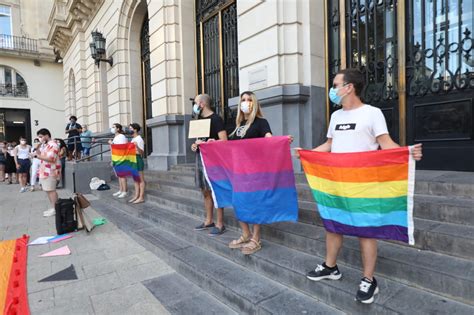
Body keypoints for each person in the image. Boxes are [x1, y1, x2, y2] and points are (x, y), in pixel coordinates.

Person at [295, 68, 423, 304]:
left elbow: (385, 144)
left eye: (335, 85)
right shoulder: (336, 117)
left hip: (364, 184)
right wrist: (307, 154)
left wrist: (406, 153)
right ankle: (330, 267)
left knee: (366, 230)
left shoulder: (372, 114)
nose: (333, 90)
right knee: (333, 225)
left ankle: (368, 280)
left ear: (349, 87)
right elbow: (329, 144)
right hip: (337, 182)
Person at [227, 91, 284, 255]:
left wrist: (280, 140)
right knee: (238, 202)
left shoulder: (260, 122)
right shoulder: (236, 124)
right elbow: (226, 145)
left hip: (255, 170)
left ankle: (256, 238)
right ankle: (245, 234)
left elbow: (268, 138)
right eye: (243, 100)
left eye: (249, 100)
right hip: (238, 170)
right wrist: (208, 143)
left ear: (255, 103)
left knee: (255, 203)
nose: (246, 102)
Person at [191, 94, 228, 236]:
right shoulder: (199, 120)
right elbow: (198, 140)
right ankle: (209, 220)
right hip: (200, 158)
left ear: (201, 104)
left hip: (213, 160)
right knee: (204, 190)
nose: (194, 106)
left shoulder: (216, 119)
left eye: (195, 103)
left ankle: (220, 223)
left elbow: (224, 140)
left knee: (215, 190)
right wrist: (195, 145)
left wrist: (209, 143)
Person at [33, 128, 61, 217]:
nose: (40, 139)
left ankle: (56, 209)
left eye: (41, 137)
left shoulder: (53, 145)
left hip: (51, 171)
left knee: (51, 190)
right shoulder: (47, 145)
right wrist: (37, 150)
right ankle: (53, 207)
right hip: (45, 171)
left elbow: (51, 158)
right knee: (48, 190)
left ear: (46, 135)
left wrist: (36, 156)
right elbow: (42, 155)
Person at [108, 123, 128, 198]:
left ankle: (124, 191)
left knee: (122, 175)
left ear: (118, 129)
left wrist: (112, 143)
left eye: (113, 127)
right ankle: (121, 189)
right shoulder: (116, 137)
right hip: (116, 158)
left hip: (121, 158)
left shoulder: (121, 136)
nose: (112, 128)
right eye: (112, 127)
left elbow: (122, 148)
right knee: (119, 175)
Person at [128, 123, 146, 204]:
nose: (129, 130)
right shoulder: (132, 139)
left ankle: (141, 197)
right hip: (132, 159)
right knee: (135, 179)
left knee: (141, 180)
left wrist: (137, 146)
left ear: (135, 129)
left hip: (138, 159)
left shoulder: (139, 139)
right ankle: (136, 195)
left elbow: (142, 152)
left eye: (130, 128)